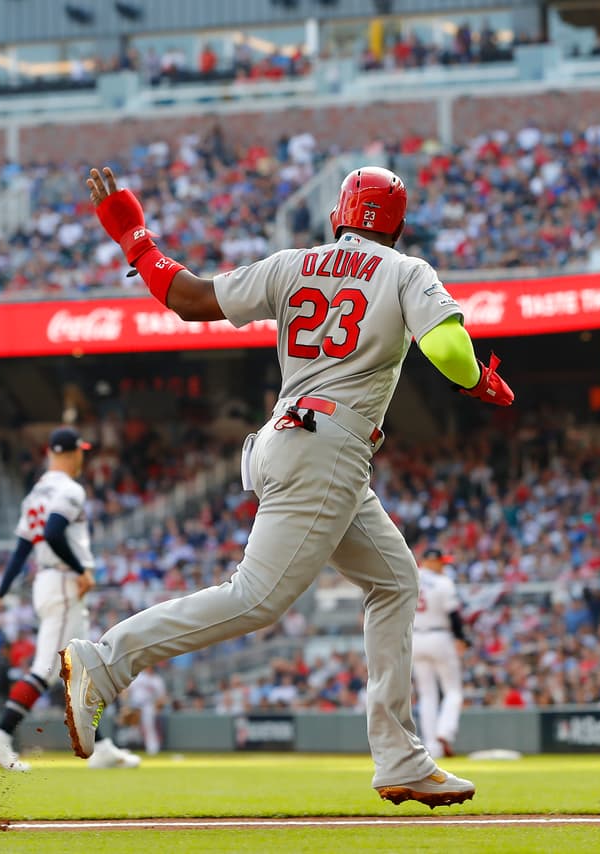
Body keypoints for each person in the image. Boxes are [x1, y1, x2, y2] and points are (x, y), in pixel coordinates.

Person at [58, 164, 513, 807]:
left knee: (395, 582)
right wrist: (480, 382)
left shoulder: (293, 263)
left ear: (337, 219)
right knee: (256, 599)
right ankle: (105, 663)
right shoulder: (408, 272)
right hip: (329, 449)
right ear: (399, 227)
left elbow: (187, 299)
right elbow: (447, 350)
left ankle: (400, 759)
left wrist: (134, 237)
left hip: (290, 438)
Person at [0, 427, 138, 772]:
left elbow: (21, 550)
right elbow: (53, 531)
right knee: (48, 669)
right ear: (70, 452)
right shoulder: (69, 488)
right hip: (64, 582)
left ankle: (103, 746)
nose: (83, 456)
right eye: (80, 451)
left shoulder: (35, 493)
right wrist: (82, 570)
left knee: (83, 667)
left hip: (48, 582)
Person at [412, 548, 470, 759]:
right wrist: (462, 639)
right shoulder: (443, 583)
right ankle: (444, 732)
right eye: (441, 562)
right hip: (440, 637)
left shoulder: (411, 577)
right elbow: (453, 615)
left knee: (427, 695)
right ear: (431, 561)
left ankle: (432, 747)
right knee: (453, 691)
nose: (444, 566)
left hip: (416, 638)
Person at [124, 666, 168, 756]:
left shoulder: (157, 680)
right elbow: (126, 691)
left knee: (149, 727)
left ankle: (152, 749)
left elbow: (162, 698)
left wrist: (157, 708)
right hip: (135, 706)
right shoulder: (138, 677)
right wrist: (126, 705)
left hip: (148, 706)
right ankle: (128, 749)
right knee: (132, 730)